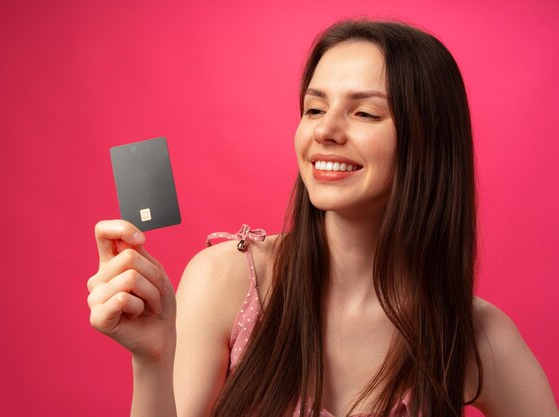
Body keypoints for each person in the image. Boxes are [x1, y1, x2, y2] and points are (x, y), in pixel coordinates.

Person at [86, 20, 558, 417]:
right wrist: (151, 359)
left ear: (429, 143)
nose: (326, 131)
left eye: (365, 113)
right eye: (314, 108)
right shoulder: (227, 278)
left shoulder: (473, 335)